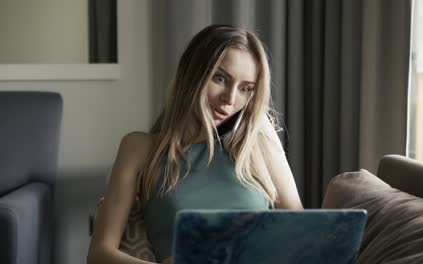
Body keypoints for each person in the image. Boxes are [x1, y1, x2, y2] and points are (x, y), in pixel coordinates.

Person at [87, 24, 303, 264]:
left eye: (245, 89)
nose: (230, 99)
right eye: (220, 78)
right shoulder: (139, 148)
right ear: (193, 73)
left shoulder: (258, 138)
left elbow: (299, 227)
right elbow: (100, 254)